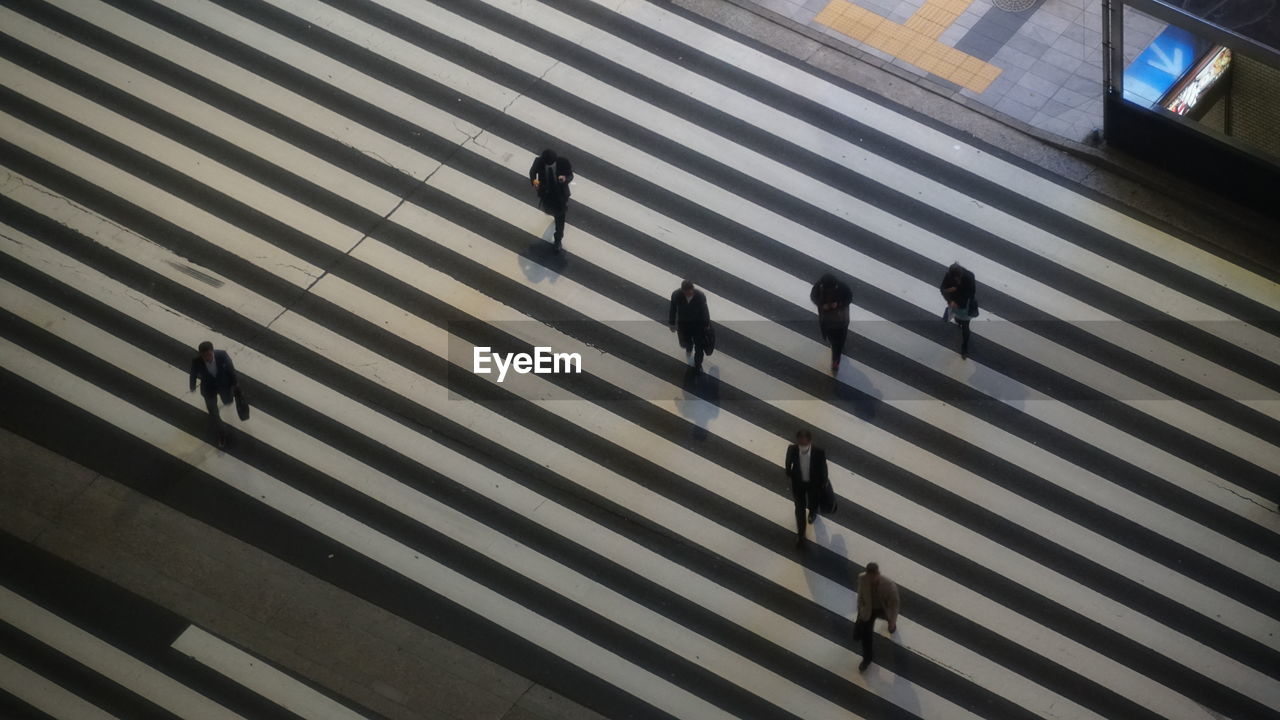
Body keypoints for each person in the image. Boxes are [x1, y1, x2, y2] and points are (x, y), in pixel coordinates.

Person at [189, 341, 239, 448]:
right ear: (201, 355)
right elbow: (193, 373)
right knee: (214, 414)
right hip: (208, 389)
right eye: (204, 356)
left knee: (228, 400)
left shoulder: (222, 355)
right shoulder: (196, 361)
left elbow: (231, 369)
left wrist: (235, 383)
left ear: (213, 351)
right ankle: (222, 433)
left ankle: (227, 400)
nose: (207, 358)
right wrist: (192, 385)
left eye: (209, 354)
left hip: (223, 385)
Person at [783, 429, 828, 547]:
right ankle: (801, 534)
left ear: (809, 441)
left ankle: (813, 512)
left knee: (813, 500)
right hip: (798, 484)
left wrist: (823, 481)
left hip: (813, 483)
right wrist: (790, 475)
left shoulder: (818, 452)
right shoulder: (792, 449)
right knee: (799, 509)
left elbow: (823, 467)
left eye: (805, 442)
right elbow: (788, 464)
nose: (802, 444)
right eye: (800, 442)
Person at [854, 562, 900, 671]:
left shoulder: (889, 586)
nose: (871, 579)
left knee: (890, 623)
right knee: (866, 636)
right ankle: (867, 659)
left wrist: (892, 621)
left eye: (873, 577)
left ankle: (891, 626)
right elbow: (860, 595)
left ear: (878, 573)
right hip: (868, 610)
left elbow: (894, 606)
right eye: (869, 576)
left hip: (883, 609)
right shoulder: (862, 578)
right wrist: (861, 610)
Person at [529, 148, 574, 252]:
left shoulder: (563, 162)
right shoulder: (539, 161)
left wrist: (565, 179)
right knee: (551, 210)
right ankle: (556, 215)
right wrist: (534, 180)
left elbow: (570, 175)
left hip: (560, 195)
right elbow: (532, 172)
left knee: (560, 219)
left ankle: (558, 240)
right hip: (546, 193)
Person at [810, 273, 853, 372]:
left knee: (839, 341)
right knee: (833, 339)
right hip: (827, 321)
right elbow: (813, 297)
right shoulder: (819, 287)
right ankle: (836, 351)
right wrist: (822, 305)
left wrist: (838, 304)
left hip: (841, 321)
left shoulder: (842, 287)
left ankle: (836, 360)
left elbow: (849, 298)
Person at [668, 279, 710, 371]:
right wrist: (672, 323)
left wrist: (706, 324)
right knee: (685, 342)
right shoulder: (676, 295)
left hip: (698, 326)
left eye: (691, 291)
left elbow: (705, 311)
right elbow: (673, 309)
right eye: (687, 291)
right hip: (684, 324)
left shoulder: (700, 296)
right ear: (683, 291)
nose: (689, 293)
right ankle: (689, 347)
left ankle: (698, 364)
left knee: (699, 347)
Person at [939, 263, 977, 358]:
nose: (957, 281)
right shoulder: (949, 275)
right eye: (955, 279)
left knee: (965, 326)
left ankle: (965, 347)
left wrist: (955, 301)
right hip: (954, 303)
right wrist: (950, 300)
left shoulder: (969, 277)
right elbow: (942, 289)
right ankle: (958, 321)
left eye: (958, 279)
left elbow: (971, 295)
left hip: (965, 305)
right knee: (957, 319)